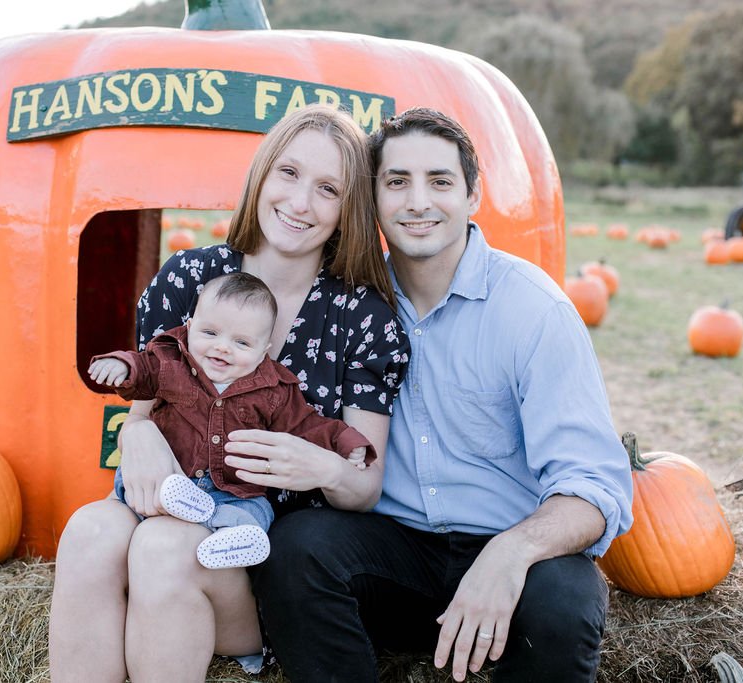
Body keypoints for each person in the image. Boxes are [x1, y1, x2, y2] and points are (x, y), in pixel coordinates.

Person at [250, 107, 634, 682]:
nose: (417, 202)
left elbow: (595, 488)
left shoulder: (534, 310)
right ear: (372, 198)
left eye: (440, 181)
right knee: (297, 547)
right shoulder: (351, 308)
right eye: (397, 182)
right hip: (394, 554)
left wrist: (510, 552)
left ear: (472, 194)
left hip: (512, 551)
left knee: (563, 600)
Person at [49, 104, 410, 683]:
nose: (299, 203)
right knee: (90, 533)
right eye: (288, 174)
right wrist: (137, 434)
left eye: (328, 189)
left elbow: (363, 486)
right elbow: (145, 404)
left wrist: (317, 463)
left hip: (266, 556)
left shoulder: (360, 317)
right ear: (262, 175)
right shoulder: (190, 280)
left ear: (349, 210)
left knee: (165, 549)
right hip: (172, 504)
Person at [87, 271, 375, 570]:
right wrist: (120, 365)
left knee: (255, 511)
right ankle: (183, 505)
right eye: (210, 333)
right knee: (133, 481)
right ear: (189, 327)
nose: (222, 347)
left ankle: (236, 541)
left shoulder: (274, 390)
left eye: (241, 342)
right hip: (168, 476)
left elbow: (308, 426)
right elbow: (142, 368)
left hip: (232, 492)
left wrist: (346, 442)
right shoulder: (170, 361)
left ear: (264, 351)